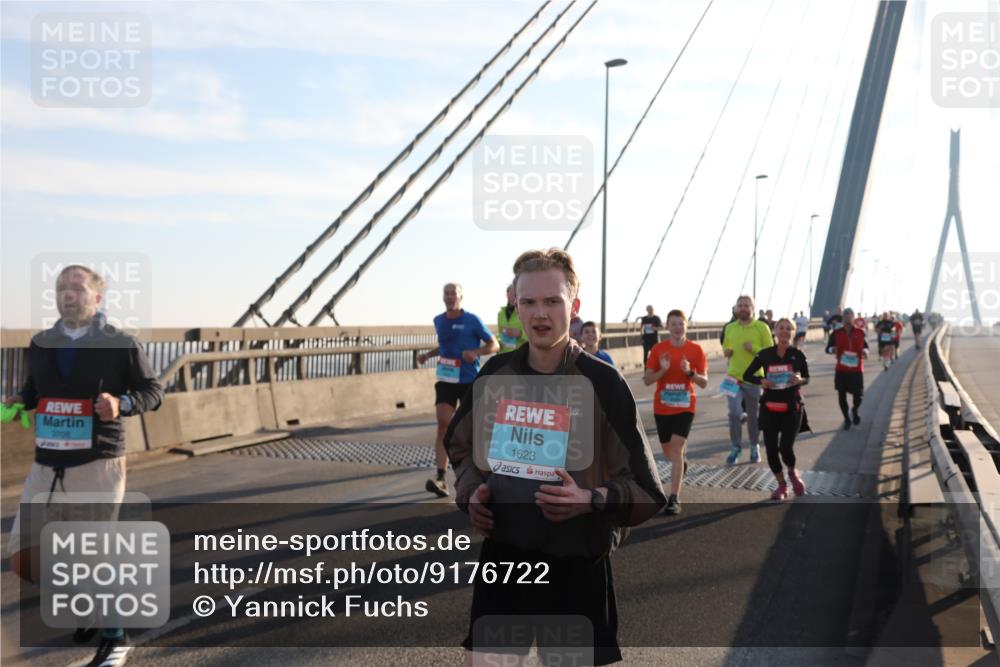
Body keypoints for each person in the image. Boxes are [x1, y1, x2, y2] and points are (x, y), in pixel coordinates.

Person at [445, 248, 665, 665]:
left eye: (552, 301)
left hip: (575, 567)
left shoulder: (603, 383)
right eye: (528, 302)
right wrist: (473, 492)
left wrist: (591, 500)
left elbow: (648, 490)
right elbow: (459, 448)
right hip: (504, 561)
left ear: (574, 306)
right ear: (516, 305)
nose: (539, 314)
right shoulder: (494, 375)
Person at [5, 264, 164, 667]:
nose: (67, 295)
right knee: (25, 555)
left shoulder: (120, 343)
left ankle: (116, 639)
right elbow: (32, 391)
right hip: (48, 463)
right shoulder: (42, 343)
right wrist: (17, 404)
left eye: (76, 288)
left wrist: (121, 404)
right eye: (61, 288)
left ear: (98, 297)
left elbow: (153, 391)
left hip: (98, 461)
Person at [417, 283, 498, 497]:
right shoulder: (439, 320)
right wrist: (427, 354)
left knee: (474, 429)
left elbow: (494, 345)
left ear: (461, 297)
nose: (450, 296)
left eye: (454, 293)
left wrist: (475, 351)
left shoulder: (472, 320)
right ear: (443, 297)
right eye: (447, 293)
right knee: (443, 425)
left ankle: (484, 476)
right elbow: (444, 345)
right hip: (446, 378)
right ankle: (441, 478)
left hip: (469, 380)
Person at [643, 309, 707, 515]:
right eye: (673, 324)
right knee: (668, 452)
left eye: (681, 323)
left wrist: (690, 372)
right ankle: (680, 465)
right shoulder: (658, 349)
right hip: (662, 407)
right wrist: (663, 369)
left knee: (677, 447)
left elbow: (704, 382)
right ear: (668, 327)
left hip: (685, 406)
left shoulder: (696, 350)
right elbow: (647, 379)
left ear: (686, 326)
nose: (677, 327)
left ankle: (673, 498)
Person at [742, 318, 810, 501]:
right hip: (769, 408)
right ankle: (781, 485)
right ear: (775, 331)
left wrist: (799, 379)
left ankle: (792, 473)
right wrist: (761, 380)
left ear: (793, 333)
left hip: (791, 408)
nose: (785, 331)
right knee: (771, 450)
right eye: (781, 328)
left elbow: (807, 378)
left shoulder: (798, 354)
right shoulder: (764, 354)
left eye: (789, 328)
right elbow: (747, 374)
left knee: (785, 447)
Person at [721, 295, 774, 465]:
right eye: (740, 305)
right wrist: (727, 351)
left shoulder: (762, 327)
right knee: (734, 414)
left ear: (753, 308)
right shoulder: (730, 327)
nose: (743, 308)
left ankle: (753, 446)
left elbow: (770, 353)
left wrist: (754, 349)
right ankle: (735, 447)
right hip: (733, 378)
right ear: (736, 308)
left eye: (746, 305)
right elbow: (726, 346)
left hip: (754, 378)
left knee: (753, 417)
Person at [826, 307, 869, 429]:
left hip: (856, 369)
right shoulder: (836, 333)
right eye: (846, 314)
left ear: (854, 317)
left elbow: (866, 347)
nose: (848, 316)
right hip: (841, 369)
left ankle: (855, 410)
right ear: (843, 317)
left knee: (858, 396)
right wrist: (832, 349)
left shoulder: (860, 333)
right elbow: (828, 348)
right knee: (841, 395)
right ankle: (846, 418)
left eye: (850, 314)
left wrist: (866, 352)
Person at [497, 283, 528, 353]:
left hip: (520, 354)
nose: (512, 297)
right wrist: (497, 341)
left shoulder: (526, 312)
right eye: (510, 293)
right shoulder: (500, 314)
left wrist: (520, 334)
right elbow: (500, 333)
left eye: (515, 294)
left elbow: (534, 336)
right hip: (502, 354)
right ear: (507, 295)